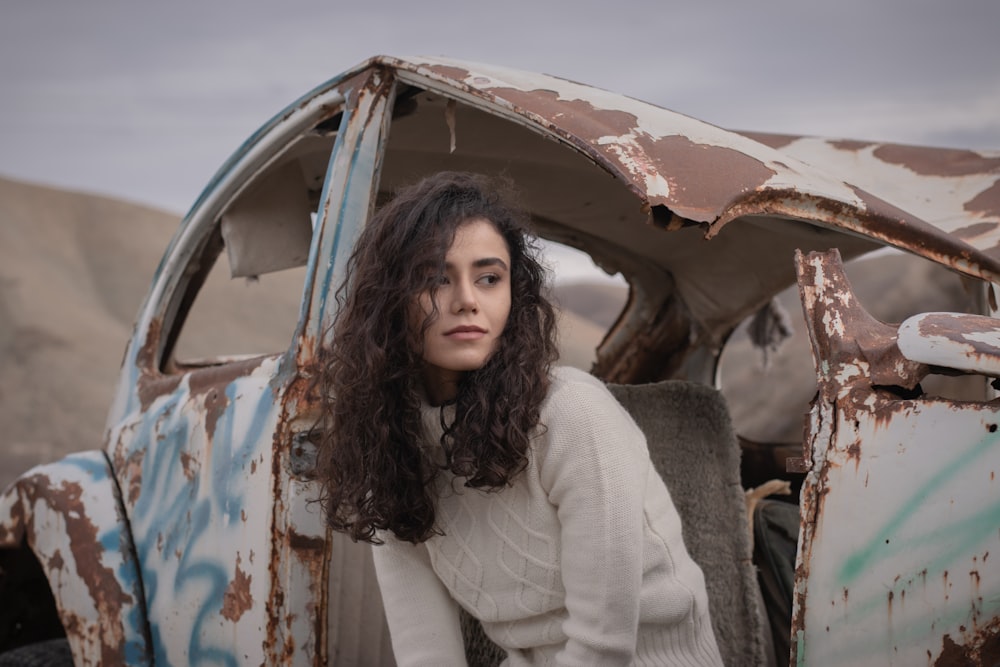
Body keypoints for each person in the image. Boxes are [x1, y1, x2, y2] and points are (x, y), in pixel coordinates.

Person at [315, 171, 722, 666]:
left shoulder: (572, 413)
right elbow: (426, 653)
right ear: (389, 302)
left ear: (514, 294)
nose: (467, 299)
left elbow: (603, 647)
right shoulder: (390, 446)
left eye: (489, 278)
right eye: (434, 278)